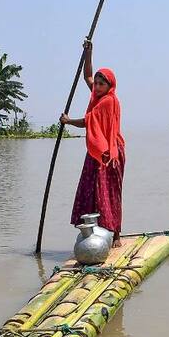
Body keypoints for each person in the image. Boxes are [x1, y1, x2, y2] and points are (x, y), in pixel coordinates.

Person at [60, 38, 126, 246]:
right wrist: (89, 52)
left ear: (109, 86)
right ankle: (96, 232)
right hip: (97, 151)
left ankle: (115, 233)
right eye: (96, 84)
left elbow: (88, 122)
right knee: (92, 190)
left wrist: (68, 121)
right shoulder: (97, 95)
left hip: (109, 153)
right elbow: (87, 75)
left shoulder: (108, 101)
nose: (96, 86)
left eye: (101, 83)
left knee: (109, 191)